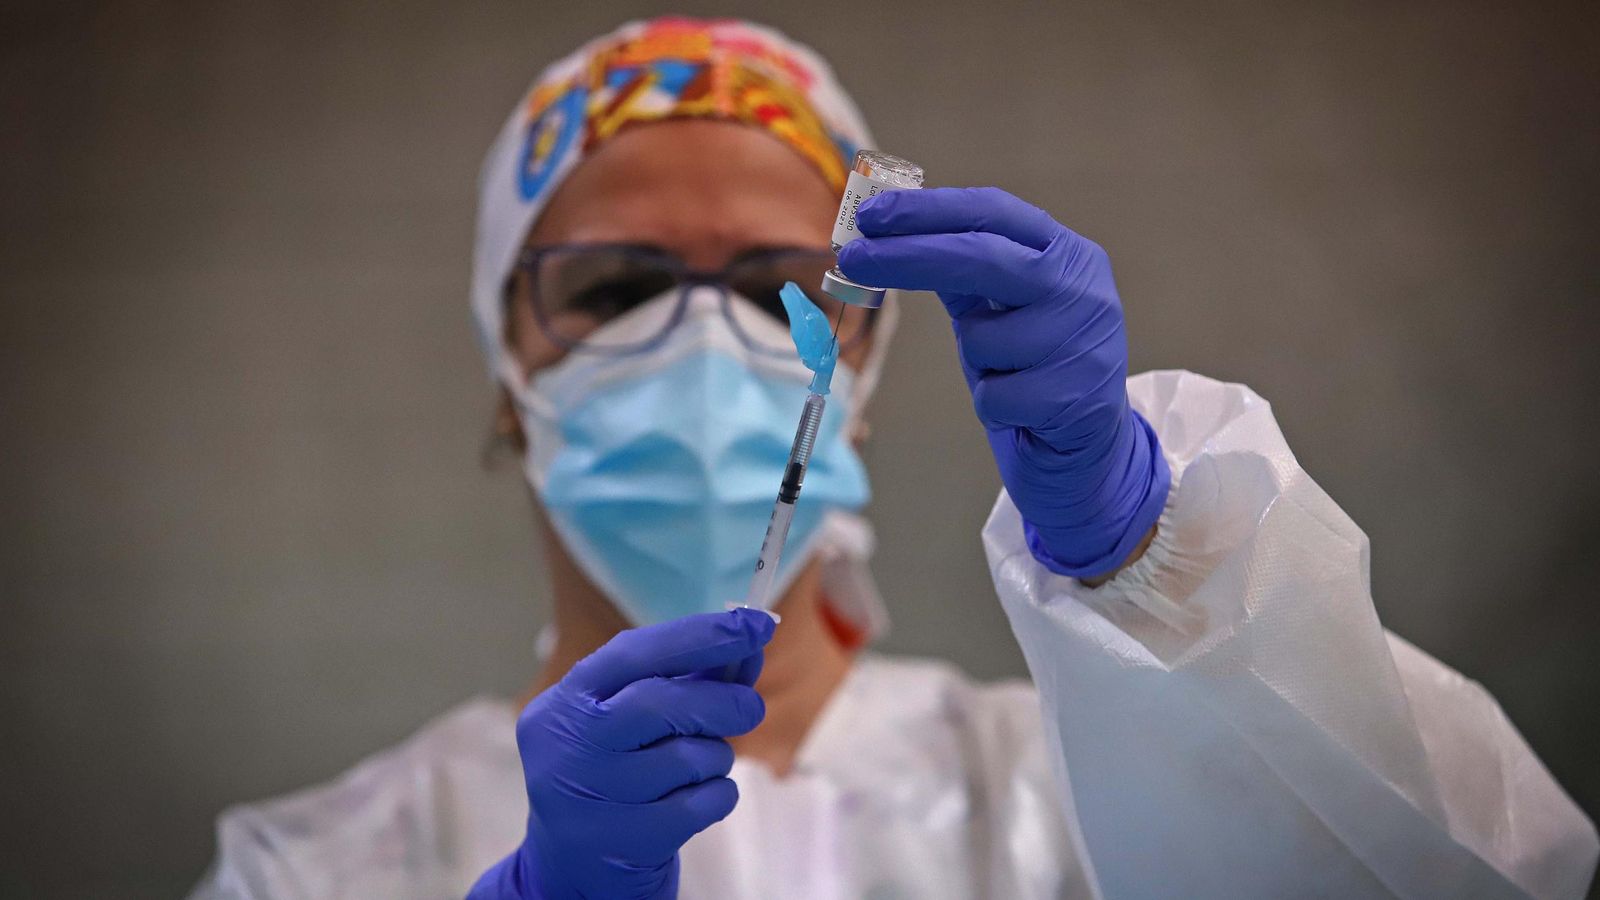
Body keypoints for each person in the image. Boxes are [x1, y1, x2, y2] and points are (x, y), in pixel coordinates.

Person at [189, 17, 1598, 900]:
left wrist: (1151, 563)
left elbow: (1471, 872)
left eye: (776, 289)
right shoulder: (319, 868)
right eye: (615, 290)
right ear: (507, 370)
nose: (702, 344)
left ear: (859, 365)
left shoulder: (1067, 791)